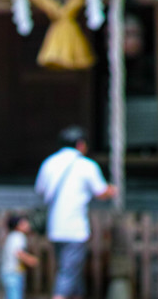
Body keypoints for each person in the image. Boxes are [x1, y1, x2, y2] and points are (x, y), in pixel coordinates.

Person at [34, 126, 117, 299]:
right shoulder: (86, 165)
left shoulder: (49, 163)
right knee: (68, 273)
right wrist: (112, 190)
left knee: (71, 271)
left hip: (55, 227)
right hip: (75, 228)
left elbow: (40, 190)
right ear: (80, 144)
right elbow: (100, 192)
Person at [1, 214, 38, 299]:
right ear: (17, 226)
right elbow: (19, 253)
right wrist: (31, 260)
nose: (28, 225)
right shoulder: (19, 236)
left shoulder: (11, 236)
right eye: (24, 223)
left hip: (8, 271)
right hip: (13, 273)